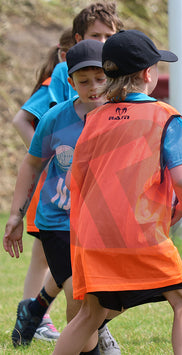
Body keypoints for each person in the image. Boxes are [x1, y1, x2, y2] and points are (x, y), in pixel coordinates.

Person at [51, 29, 182, 355]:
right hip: (139, 233)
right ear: (149, 74)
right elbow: (180, 181)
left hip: (92, 236)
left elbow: (79, 178)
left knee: (90, 314)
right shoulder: (165, 116)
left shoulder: (94, 117)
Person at [10, 3, 125, 353]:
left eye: (100, 79)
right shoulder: (55, 119)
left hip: (97, 221)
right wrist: (16, 214)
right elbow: (30, 164)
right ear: (70, 80)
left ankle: (37, 311)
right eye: (83, 80)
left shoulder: (120, 116)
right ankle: (90, 345)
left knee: (109, 293)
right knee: (81, 288)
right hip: (58, 221)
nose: (93, 87)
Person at [11, 27, 75, 343]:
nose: (102, 43)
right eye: (95, 35)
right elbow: (22, 119)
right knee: (51, 257)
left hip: (77, 186)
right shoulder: (62, 75)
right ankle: (36, 316)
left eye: (108, 36)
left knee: (62, 258)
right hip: (57, 187)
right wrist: (46, 156)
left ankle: (33, 315)